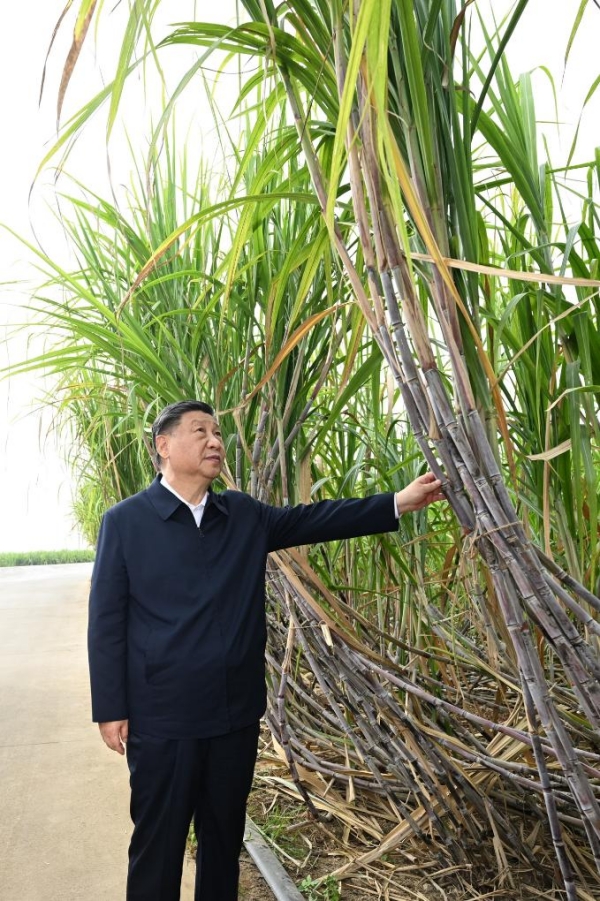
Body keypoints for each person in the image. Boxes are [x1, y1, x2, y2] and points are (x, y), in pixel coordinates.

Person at [88, 399, 444, 901]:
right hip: (162, 716)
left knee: (223, 841)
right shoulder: (125, 522)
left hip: (233, 714)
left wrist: (397, 502)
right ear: (163, 447)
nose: (216, 441)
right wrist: (111, 708)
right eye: (200, 432)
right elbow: (106, 621)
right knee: (158, 843)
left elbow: (316, 519)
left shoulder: (242, 515)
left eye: (217, 431)